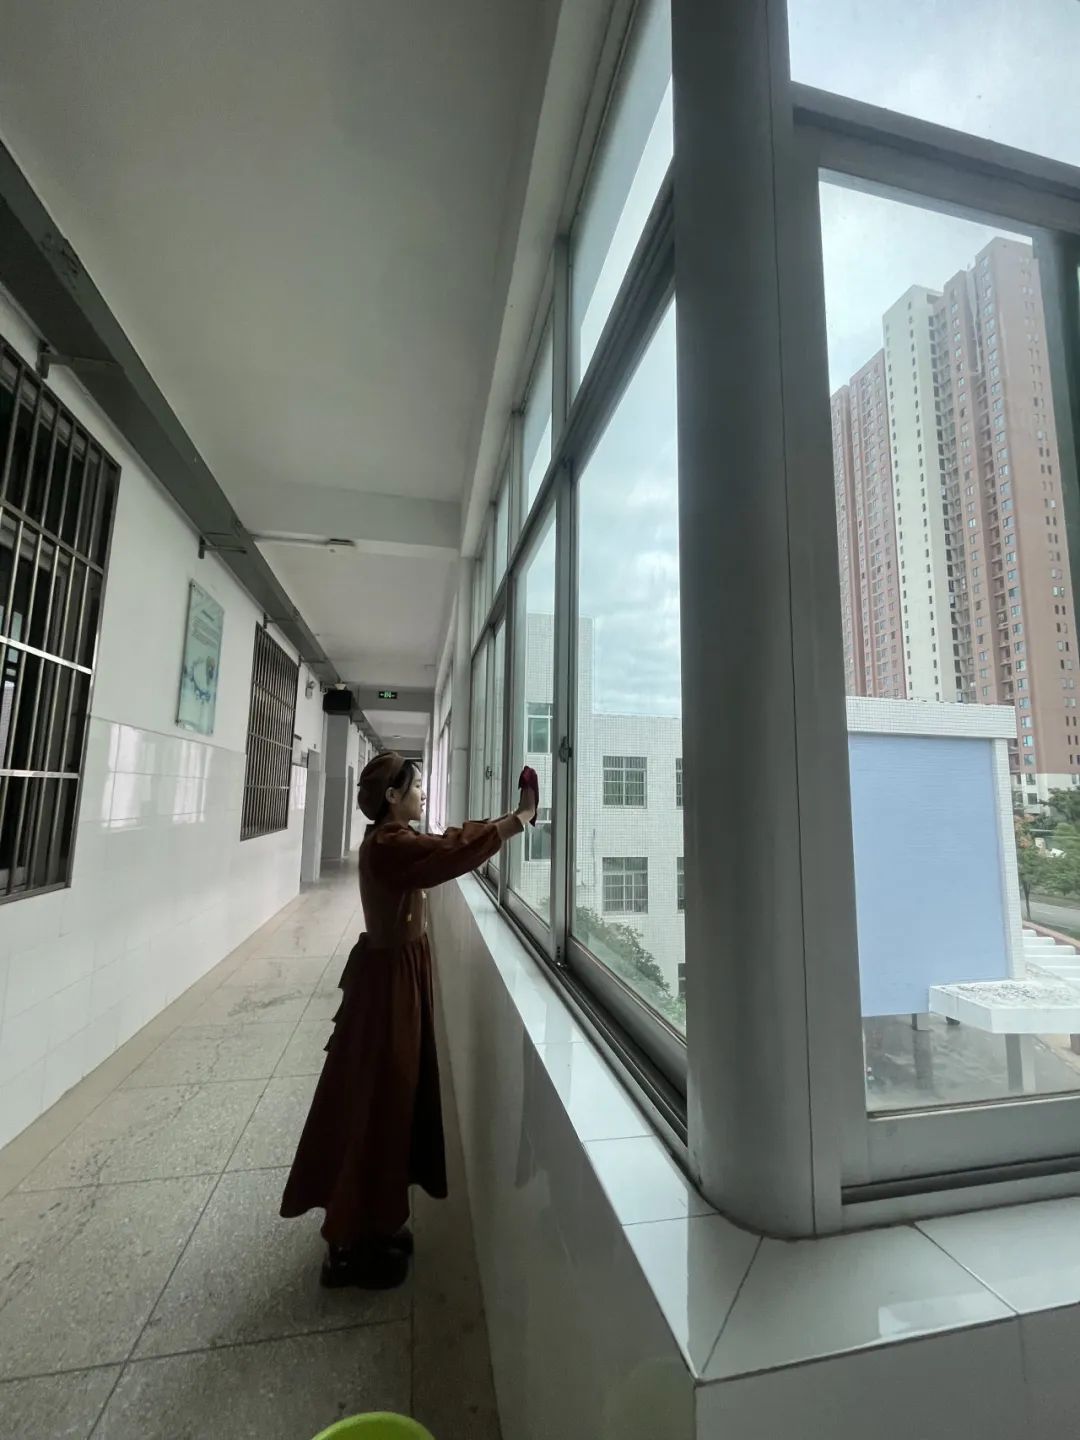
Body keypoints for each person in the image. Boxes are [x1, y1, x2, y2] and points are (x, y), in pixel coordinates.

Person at [280, 750, 537, 1289]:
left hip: (398, 976)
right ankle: (350, 1242)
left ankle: (375, 1223)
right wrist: (516, 820)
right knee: (383, 1099)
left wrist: (508, 819)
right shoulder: (389, 846)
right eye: (415, 787)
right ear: (392, 797)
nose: (422, 794)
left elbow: (443, 844)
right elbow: (448, 850)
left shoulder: (390, 841)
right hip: (389, 987)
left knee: (396, 1096)